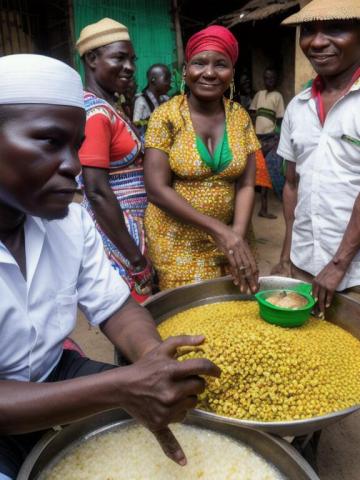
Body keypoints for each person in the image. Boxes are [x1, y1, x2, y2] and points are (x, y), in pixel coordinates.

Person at [0, 53, 220, 480]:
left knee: (186, 409)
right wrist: (121, 386)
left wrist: (153, 359)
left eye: (76, 145)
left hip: (53, 372)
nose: (74, 165)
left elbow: (117, 308)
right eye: (49, 142)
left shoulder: (69, 222)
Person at [144, 26, 260, 293]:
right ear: (185, 70)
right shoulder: (167, 115)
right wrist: (219, 230)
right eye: (199, 63)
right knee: (190, 316)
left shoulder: (240, 116)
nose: (209, 72)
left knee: (235, 312)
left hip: (234, 237)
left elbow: (246, 184)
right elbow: (156, 189)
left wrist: (237, 235)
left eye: (221, 64)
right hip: (178, 242)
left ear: (231, 72)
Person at [271, 0, 360, 315]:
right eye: (308, 30)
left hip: (354, 274)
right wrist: (287, 255)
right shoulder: (297, 106)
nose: (317, 41)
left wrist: (338, 266)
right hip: (305, 263)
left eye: (335, 28)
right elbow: (292, 185)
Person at [75, 18, 152, 302]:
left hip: (125, 228)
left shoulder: (108, 107)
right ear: (92, 59)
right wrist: (136, 260)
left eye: (132, 59)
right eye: (119, 57)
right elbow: (96, 190)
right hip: (117, 235)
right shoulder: (95, 114)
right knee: (136, 324)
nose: (130, 67)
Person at [250, 67, 285, 218]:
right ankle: (260, 208)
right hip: (257, 138)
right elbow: (252, 113)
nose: (269, 81)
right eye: (266, 78)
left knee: (267, 170)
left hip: (270, 139)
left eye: (272, 78)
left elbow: (280, 120)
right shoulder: (259, 95)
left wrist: (278, 139)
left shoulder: (278, 96)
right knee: (257, 171)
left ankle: (264, 208)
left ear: (276, 80)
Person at [133, 63, 171, 136]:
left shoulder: (165, 99)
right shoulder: (141, 101)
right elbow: (136, 125)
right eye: (166, 79)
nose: (169, 82)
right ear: (153, 80)